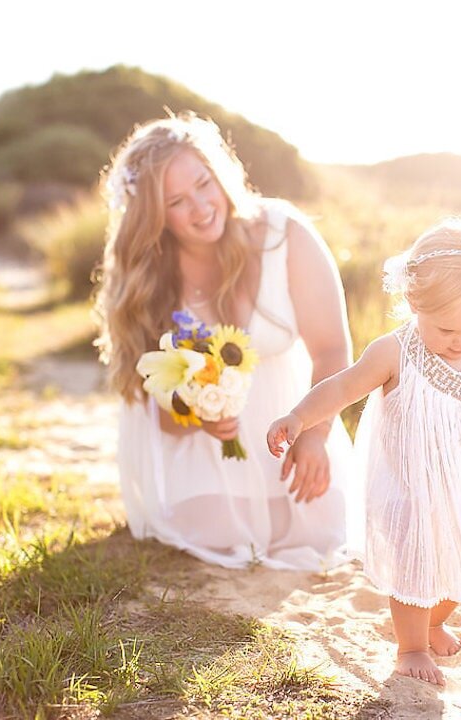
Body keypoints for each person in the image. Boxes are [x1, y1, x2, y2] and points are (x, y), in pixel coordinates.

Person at [266, 215, 461, 686]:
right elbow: (342, 387)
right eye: (448, 331)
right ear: (415, 303)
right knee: (416, 567)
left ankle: (433, 623)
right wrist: (299, 417)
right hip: (410, 487)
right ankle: (410, 645)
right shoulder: (394, 352)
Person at [94, 113, 356, 571]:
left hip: (294, 429)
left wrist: (314, 436)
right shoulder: (152, 276)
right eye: (176, 201)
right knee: (221, 536)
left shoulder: (282, 233)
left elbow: (332, 350)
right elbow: (161, 414)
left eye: (203, 183)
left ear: (221, 174)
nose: (200, 208)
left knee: (321, 529)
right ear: (154, 215)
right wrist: (198, 414)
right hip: (203, 452)